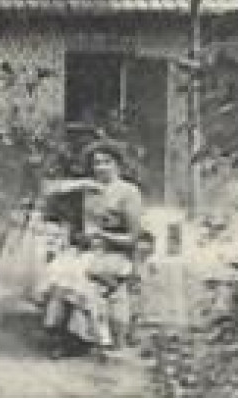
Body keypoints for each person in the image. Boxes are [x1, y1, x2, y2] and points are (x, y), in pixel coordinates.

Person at [35, 140, 144, 353]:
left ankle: (81, 338)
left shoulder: (129, 192)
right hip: (90, 252)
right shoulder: (90, 189)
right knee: (59, 269)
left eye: (107, 162)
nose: (101, 167)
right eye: (96, 163)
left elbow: (133, 238)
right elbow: (49, 191)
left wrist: (103, 235)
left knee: (75, 273)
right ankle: (63, 333)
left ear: (118, 165)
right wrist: (81, 184)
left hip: (116, 254)